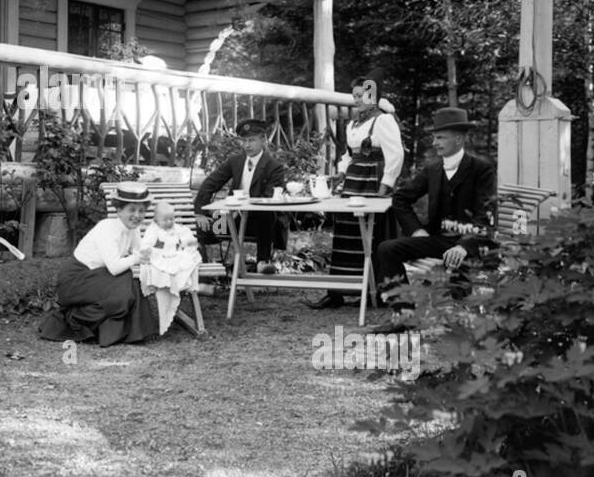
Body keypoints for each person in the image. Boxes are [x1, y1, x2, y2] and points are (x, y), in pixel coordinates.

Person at [372, 106, 497, 310]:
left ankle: (462, 320)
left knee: (458, 274)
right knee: (387, 249)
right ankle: (404, 314)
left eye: (440, 138)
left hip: (473, 244)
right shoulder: (433, 169)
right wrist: (417, 231)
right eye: (434, 137)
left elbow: (486, 215)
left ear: (458, 139)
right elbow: (400, 198)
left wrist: (464, 246)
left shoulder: (482, 169)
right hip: (440, 240)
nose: (434, 143)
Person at [306, 70, 404, 309]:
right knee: (346, 236)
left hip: (373, 183)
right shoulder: (353, 123)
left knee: (371, 236)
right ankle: (337, 292)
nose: (357, 99)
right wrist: (340, 172)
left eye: (362, 95)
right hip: (353, 183)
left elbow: (396, 155)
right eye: (355, 95)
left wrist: (386, 186)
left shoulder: (383, 120)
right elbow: (349, 154)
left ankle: (374, 292)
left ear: (373, 96)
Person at [37, 181, 161, 347]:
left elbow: (141, 252)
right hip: (76, 279)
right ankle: (74, 319)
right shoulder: (107, 229)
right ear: (119, 210)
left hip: (98, 277)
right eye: (132, 209)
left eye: (141, 210)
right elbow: (115, 267)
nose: (137, 215)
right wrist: (139, 257)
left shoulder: (133, 229)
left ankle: (127, 332)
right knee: (125, 281)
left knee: (130, 283)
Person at [194, 119, 288, 272]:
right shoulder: (235, 161)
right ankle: (204, 272)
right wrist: (200, 213)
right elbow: (209, 184)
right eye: (243, 140)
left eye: (251, 140)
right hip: (232, 222)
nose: (247, 145)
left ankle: (262, 262)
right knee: (201, 229)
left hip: (257, 225)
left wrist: (242, 204)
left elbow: (270, 199)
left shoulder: (274, 167)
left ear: (263, 140)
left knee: (266, 214)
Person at [138, 201, 202, 335]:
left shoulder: (177, 228)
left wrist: (188, 241)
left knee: (189, 258)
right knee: (158, 267)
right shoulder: (153, 230)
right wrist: (147, 250)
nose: (169, 222)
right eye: (165, 219)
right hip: (160, 256)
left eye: (171, 219)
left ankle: (178, 286)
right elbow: (146, 243)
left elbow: (187, 237)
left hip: (176, 255)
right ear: (156, 219)